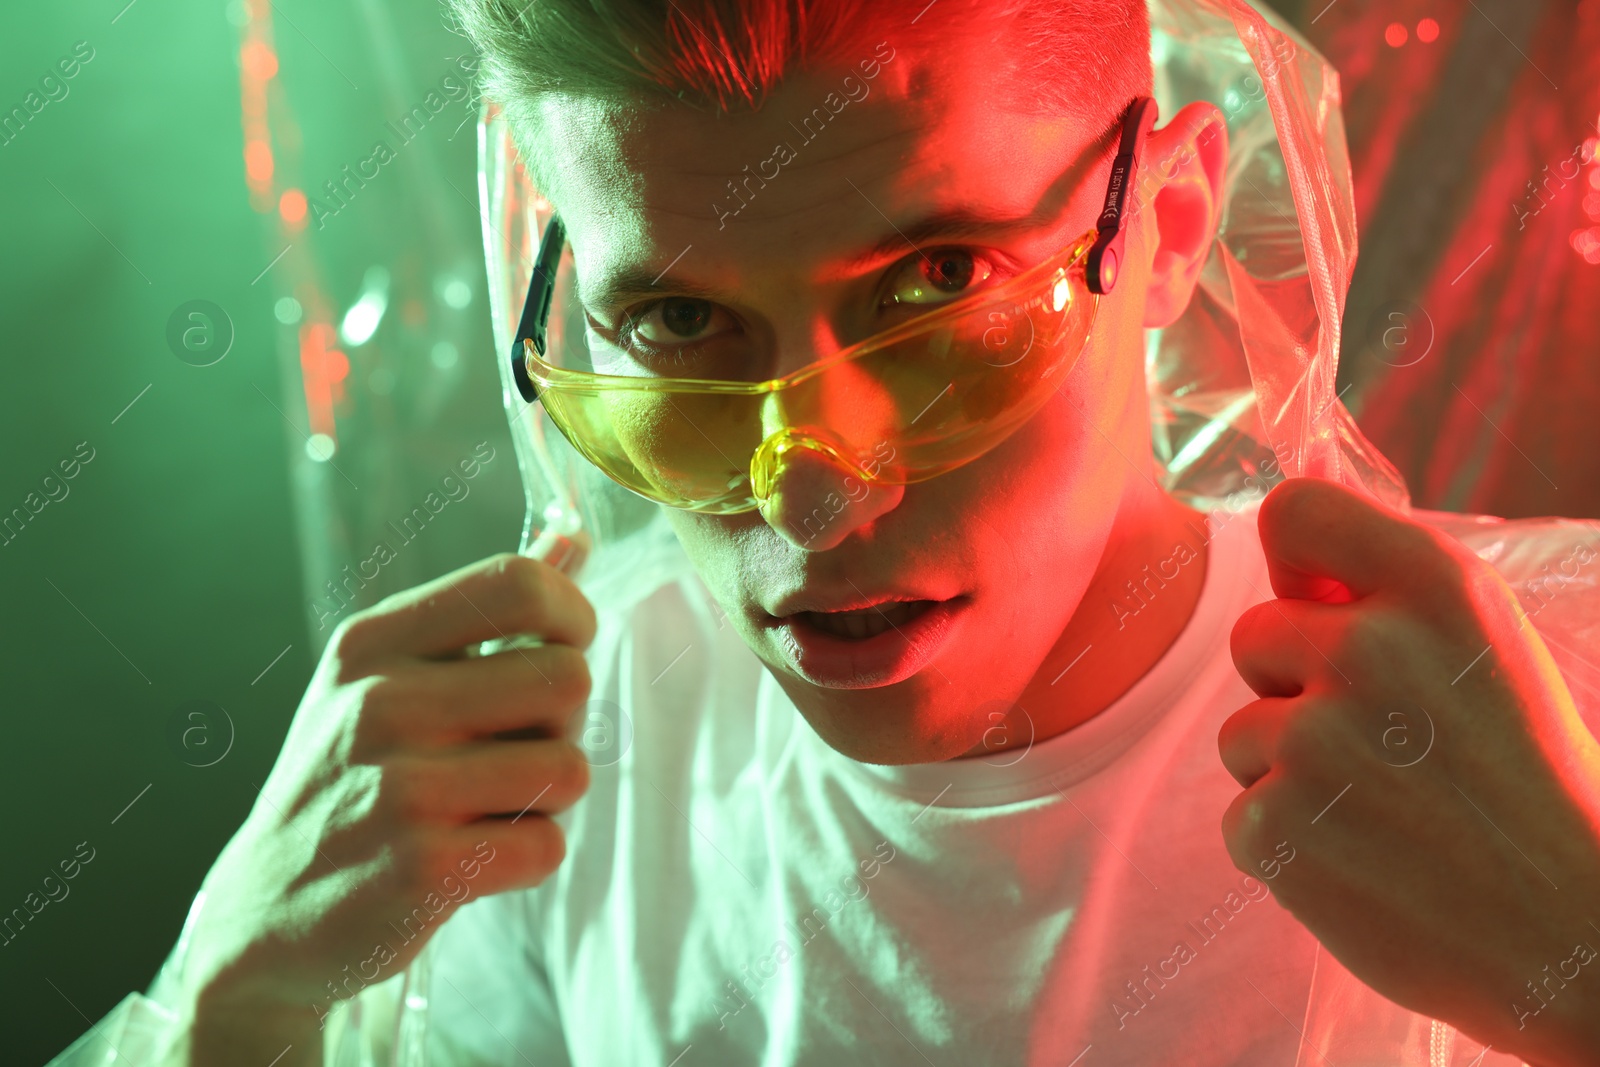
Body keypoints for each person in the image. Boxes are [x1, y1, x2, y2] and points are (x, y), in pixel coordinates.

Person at [46, 0, 1600, 1064]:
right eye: (675, 322)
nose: (810, 490)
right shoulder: (540, 787)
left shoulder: (1551, 710)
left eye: (937, 283)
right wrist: (216, 1002)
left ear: (1175, 224)